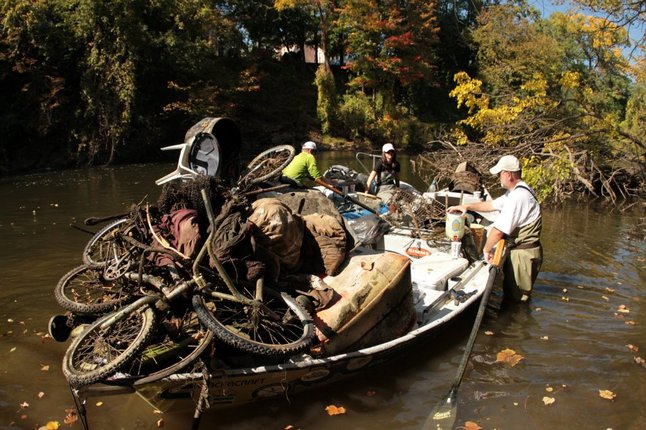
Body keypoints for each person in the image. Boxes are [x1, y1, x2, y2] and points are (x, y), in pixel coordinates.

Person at [447, 155, 542, 302]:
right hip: (521, 251)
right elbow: (492, 205)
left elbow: (498, 231)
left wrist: (486, 250)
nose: (499, 178)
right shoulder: (517, 191)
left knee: (517, 301)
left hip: (523, 255)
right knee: (512, 295)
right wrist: (467, 206)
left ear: (508, 174)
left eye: (499, 174)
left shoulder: (518, 196)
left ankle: (517, 323)